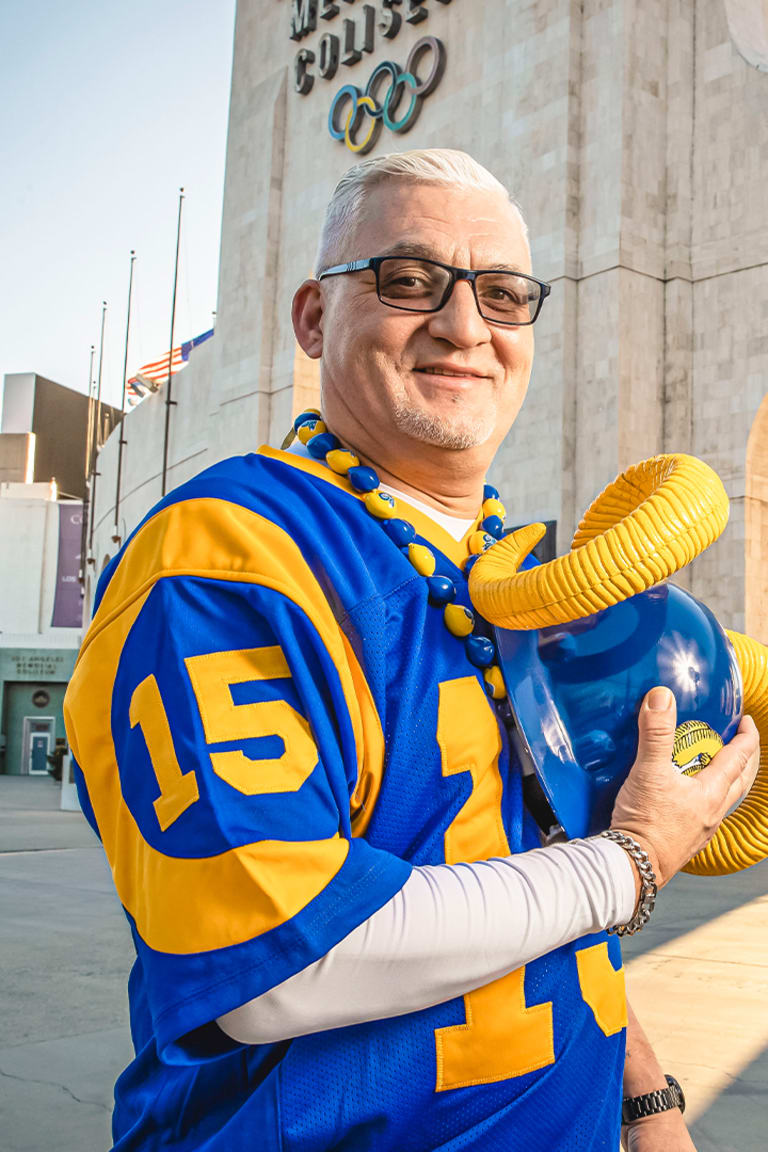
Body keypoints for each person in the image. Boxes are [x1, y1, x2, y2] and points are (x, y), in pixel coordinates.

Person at [64, 150, 758, 1152]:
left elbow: (531, 870)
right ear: (313, 316)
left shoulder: (505, 571)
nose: (464, 326)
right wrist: (636, 861)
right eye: (408, 280)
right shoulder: (223, 554)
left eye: (504, 294)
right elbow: (282, 960)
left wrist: (647, 1099)